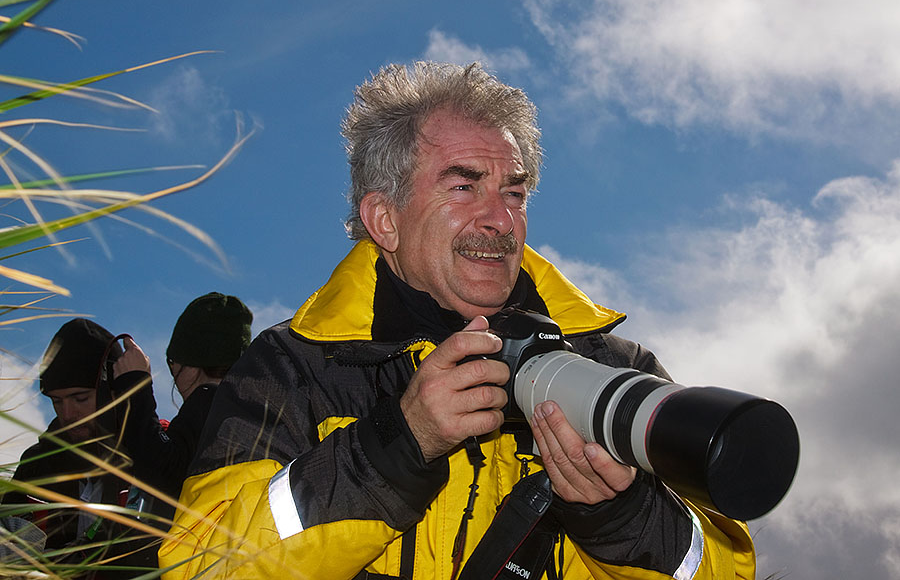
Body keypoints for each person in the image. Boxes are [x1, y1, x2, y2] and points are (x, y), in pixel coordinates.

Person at [159, 62, 754, 579]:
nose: (500, 218)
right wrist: (393, 447)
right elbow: (203, 566)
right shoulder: (294, 366)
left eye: (515, 193)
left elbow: (720, 567)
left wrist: (620, 516)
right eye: (464, 186)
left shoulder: (614, 369)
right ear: (384, 219)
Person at [111, 292, 253, 504]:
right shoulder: (250, 412)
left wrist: (134, 387)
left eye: (172, 361)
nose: (172, 370)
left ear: (191, 364)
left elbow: (163, 469)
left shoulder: (209, 402)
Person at [1, 318, 128, 555]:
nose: (68, 414)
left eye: (80, 398)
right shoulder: (36, 464)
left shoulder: (151, 455)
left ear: (113, 392)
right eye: (57, 401)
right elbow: (10, 557)